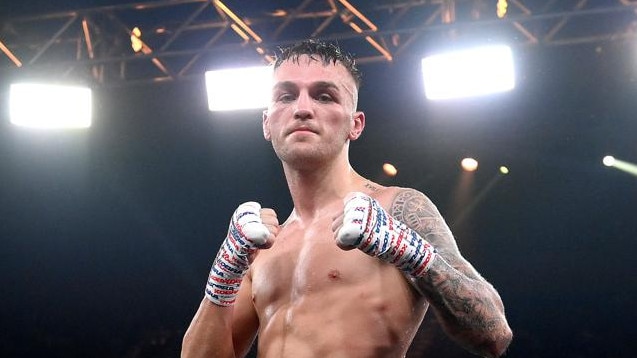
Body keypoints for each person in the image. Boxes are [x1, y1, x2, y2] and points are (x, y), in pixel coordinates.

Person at [182, 39, 512, 358]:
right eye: (285, 96)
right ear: (267, 122)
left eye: (324, 96)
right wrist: (223, 274)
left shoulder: (398, 209)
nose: (302, 109)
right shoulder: (261, 249)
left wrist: (409, 250)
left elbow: (494, 335)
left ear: (355, 125)